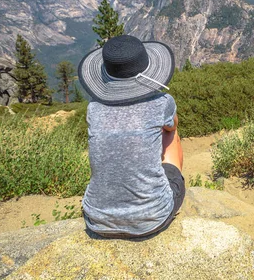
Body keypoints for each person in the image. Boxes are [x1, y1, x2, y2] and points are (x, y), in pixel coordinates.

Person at [77, 34, 185, 238]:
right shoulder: (163, 102)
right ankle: (165, 183)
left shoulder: (94, 108)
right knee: (170, 129)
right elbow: (172, 127)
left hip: (96, 220)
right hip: (154, 217)